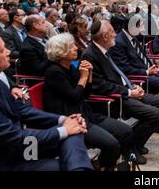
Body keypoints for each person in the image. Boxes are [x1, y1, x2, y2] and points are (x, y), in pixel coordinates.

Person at [0, 30, 93, 171]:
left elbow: (22, 111)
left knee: (74, 132)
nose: (9, 52)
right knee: (62, 158)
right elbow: (14, 137)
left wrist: (63, 120)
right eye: (2, 50)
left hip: (20, 149)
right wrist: (64, 129)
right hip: (0, 161)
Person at [82, 21, 159, 162]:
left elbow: (119, 74)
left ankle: (135, 145)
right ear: (105, 36)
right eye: (112, 31)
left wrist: (133, 86)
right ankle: (129, 148)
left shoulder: (104, 49)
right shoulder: (91, 55)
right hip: (114, 99)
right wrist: (129, 92)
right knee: (157, 115)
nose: (115, 34)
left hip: (126, 90)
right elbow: (100, 86)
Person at [43, 33, 134, 169]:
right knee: (112, 145)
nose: (76, 48)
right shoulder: (54, 72)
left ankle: (103, 164)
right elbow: (73, 97)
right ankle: (104, 166)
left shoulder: (70, 68)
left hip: (86, 114)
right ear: (61, 52)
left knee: (125, 131)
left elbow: (84, 94)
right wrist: (83, 78)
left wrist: (89, 75)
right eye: (71, 46)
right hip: (71, 118)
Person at [109, 14, 159, 125]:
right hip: (138, 77)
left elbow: (142, 56)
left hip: (147, 70)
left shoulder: (132, 37)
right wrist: (147, 72)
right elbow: (125, 68)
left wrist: (151, 66)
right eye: (141, 25)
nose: (143, 28)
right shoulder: (119, 41)